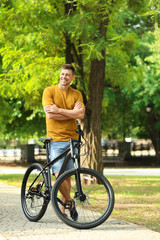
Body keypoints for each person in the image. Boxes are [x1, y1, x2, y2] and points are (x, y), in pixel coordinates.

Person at [42, 64, 85, 221]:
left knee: (67, 177)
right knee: (59, 175)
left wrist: (59, 110)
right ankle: (71, 203)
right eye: (62, 74)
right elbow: (50, 115)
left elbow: (80, 114)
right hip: (55, 139)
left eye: (68, 75)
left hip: (72, 139)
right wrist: (71, 113)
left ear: (73, 77)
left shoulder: (76, 94)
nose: (64, 77)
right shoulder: (49, 91)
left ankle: (63, 211)